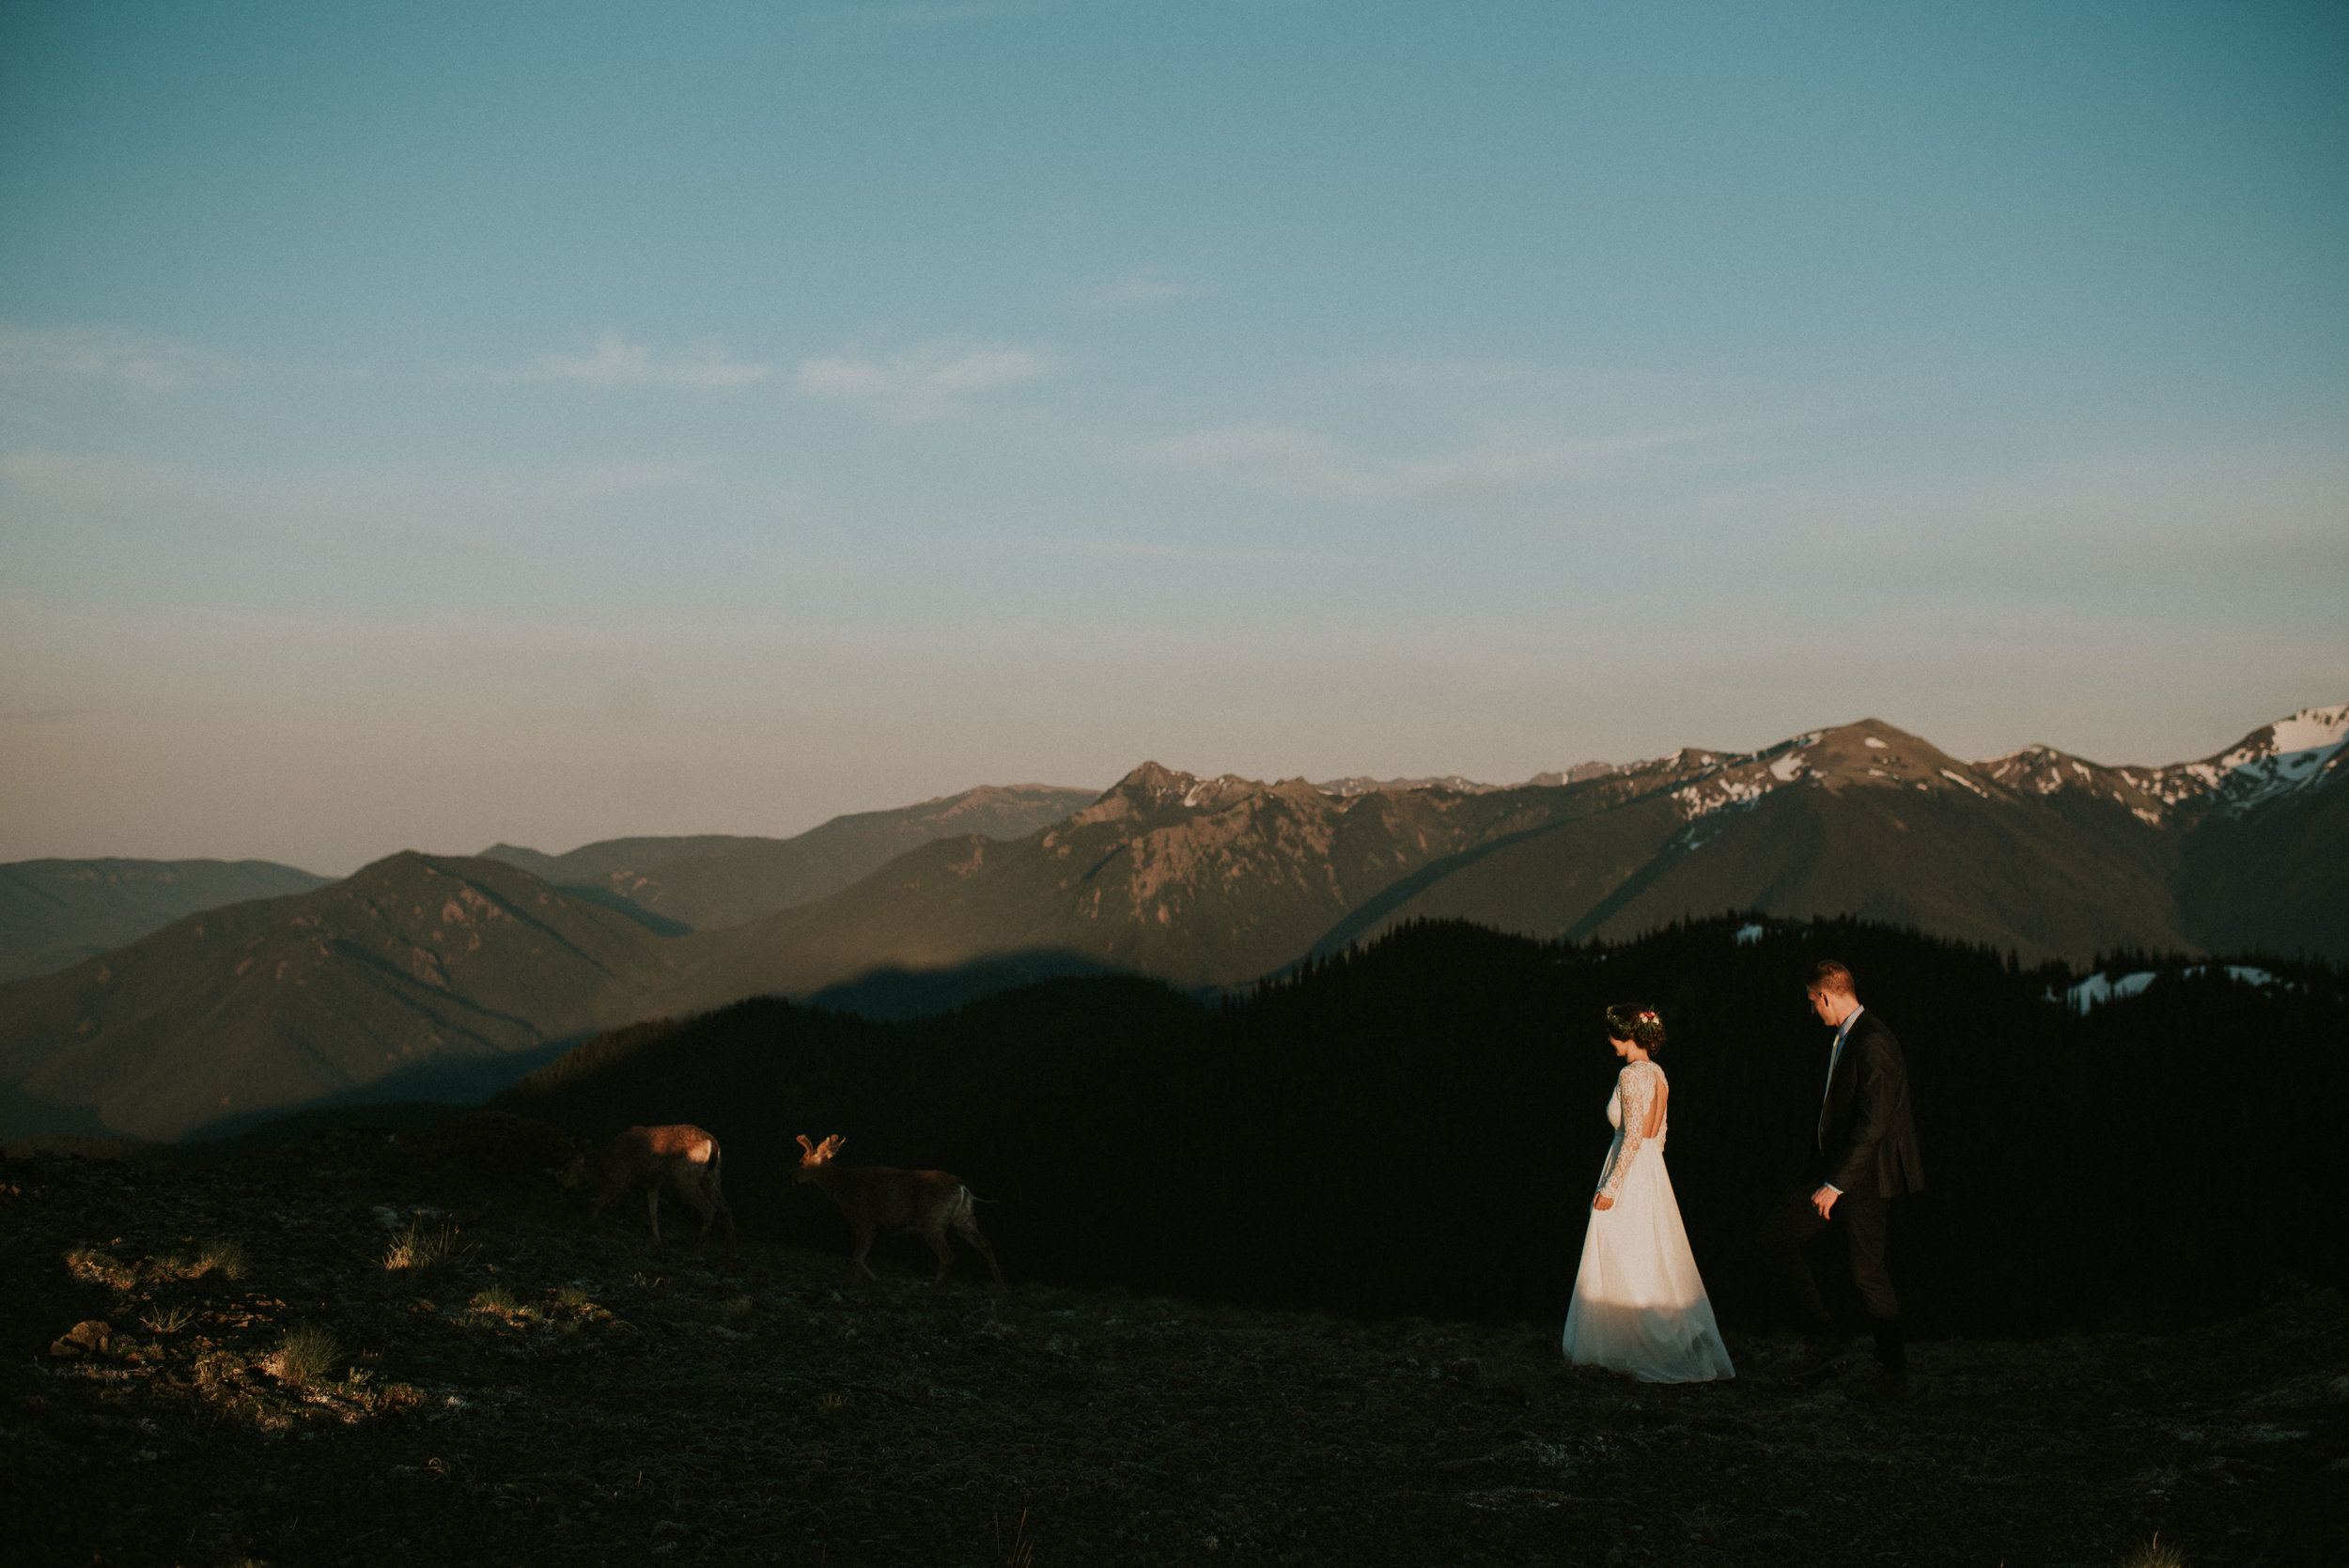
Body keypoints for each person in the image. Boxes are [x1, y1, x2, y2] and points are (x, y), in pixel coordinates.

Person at [1756, 958, 1925, 1393]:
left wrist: (1835, 1184)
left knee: (1867, 1272)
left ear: (1827, 995)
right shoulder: (1848, 1037)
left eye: (1813, 1002)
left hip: (1864, 1178)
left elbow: (1875, 1125)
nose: (1812, 1010)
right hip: (1830, 1171)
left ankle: (1893, 1370)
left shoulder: (1873, 1042)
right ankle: (1822, 1339)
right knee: (1778, 1237)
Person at [1561, 1004, 1735, 1383]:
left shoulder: (1629, 1076)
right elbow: (1661, 1135)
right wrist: (1650, 1173)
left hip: (1631, 1171)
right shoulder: (1659, 1074)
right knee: (1652, 1255)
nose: (1609, 1042)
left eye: (1612, 1035)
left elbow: (1633, 1136)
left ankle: (1626, 1344)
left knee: (1618, 1250)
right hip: (1653, 1172)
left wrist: (1611, 1186)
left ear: (1626, 1036)